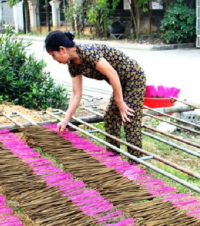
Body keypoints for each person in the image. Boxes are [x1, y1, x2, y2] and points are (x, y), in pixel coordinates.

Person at [45, 30, 146, 159]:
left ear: (62, 50)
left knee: (129, 118)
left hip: (133, 77)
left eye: (53, 55)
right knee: (110, 116)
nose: (54, 59)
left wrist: (121, 103)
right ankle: (113, 157)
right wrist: (65, 120)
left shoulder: (87, 52)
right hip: (119, 82)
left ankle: (135, 163)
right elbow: (76, 94)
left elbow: (112, 74)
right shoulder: (73, 65)